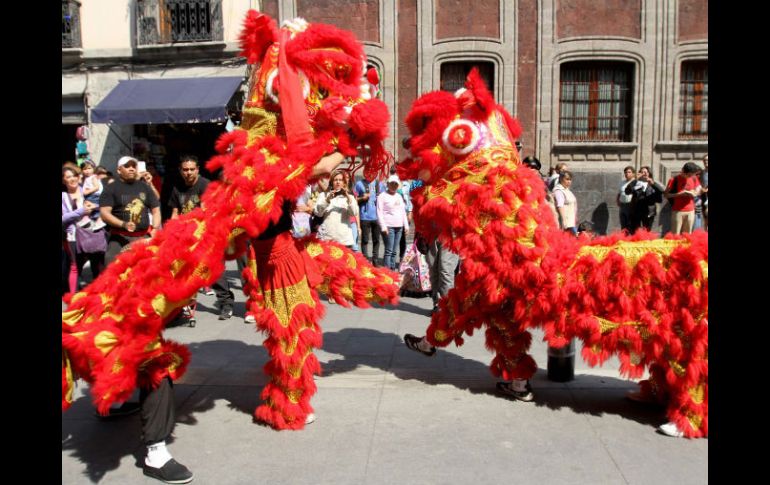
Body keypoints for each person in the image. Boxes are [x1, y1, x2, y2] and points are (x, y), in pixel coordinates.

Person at [99, 156, 161, 265]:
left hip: (144, 236)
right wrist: (123, 224)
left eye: (134, 166)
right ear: (119, 170)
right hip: (120, 237)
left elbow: (156, 209)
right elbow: (104, 213)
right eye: (127, 166)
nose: (131, 168)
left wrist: (155, 228)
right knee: (111, 265)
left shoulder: (145, 187)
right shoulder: (111, 188)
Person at [62, 164, 105, 293]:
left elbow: (104, 207)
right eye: (68, 177)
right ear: (64, 180)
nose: (72, 179)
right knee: (75, 266)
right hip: (74, 236)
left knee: (97, 265)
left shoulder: (87, 189)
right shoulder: (63, 197)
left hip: (93, 233)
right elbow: (63, 218)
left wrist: (95, 206)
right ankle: (73, 297)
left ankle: (100, 294)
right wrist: (81, 211)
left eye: (74, 175)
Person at [314, 169, 359, 249]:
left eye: (340, 180)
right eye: (335, 180)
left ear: (344, 183)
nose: (338, 182)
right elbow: (318, 213)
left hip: (344, 239)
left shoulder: (350, 197)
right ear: (331, 182)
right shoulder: (323, 195)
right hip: (327, 237)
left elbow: (354, 213)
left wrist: (348, 198)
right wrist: (327, 200)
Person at [377, 174, 410, 270]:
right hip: (388, 226)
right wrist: (383, 226)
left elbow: (403, 212)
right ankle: (387, 271)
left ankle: (392, 269)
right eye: (392, 184)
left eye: (396, 184)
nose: (394, 186)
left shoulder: (399, 196)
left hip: (399, 227)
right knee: (389, 250)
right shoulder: (382, 196)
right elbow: (379, 212)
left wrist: (406, 226)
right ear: (388, 184)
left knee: (394, 251)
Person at [354, 173, 385, 265]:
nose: (371, 173)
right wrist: (362, 198)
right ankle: (365, 260)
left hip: (377, 216)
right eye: (369, 170)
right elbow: (353, 199)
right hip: (364, 216)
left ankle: (375, 260)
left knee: (376, 240)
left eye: (374, 171)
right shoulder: (359, 184)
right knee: (365, 240)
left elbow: (385, 199)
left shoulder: (380, 184)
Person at [663, 162, 702, 235]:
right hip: (678, 211)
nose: (690, 176)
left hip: (691, 210)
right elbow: (666, 195)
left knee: (687, 235)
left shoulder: (694, 178)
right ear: (684, 171)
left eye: (692, 174)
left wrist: (694, 193)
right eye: (689, 175)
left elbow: (699, 190)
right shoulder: (673, 180)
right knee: (676, 235)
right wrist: (679, 194)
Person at [625, 166, 664, 233]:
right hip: (636, 211)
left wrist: (653, 184)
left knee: (647, 231)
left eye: (645, 172)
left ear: (649, 174)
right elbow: (627, 191)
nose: (643, 174)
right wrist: (635, 180)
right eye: (642, 172)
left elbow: (661, 191)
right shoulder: (636, 183)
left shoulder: (652, 183)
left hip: (649, 211)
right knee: (635, 231)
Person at [76, 159, 107, 230]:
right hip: (93, 195)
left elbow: (96, 187)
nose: (87, 171)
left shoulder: (93, 177)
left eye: (89, 168)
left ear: (94, 168)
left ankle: (87, 218)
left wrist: (87, 192)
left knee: (86, 206)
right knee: (92, 209)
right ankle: (96, 220)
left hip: (94, 195)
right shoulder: (86, 178)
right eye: (84, 169)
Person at [552, 170, 578, 235]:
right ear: (561, 179)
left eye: (570, 180)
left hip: (571, 222)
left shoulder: (566, 190)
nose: (569, 181)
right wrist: (564, 220)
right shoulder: (559, 191)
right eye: (567, 179)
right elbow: (560, 206)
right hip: (566, 223)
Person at [617, 166, 635, 233]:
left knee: (630, 224)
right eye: (626, 172)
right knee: (623, 223)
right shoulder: (622, 182)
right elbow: (619, 193)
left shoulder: (635, 182)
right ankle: (624, 238)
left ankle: (630, 239)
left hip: (631, 205)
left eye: (629, 172)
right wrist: (618, 200)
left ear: (633, 173)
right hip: (622, 205)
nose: (627, 174)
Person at [700, 155, 708, 231]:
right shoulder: (701, 173)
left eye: (707, 160)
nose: (706, 162)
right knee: (705, 217)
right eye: (704, 160)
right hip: (704, 197)